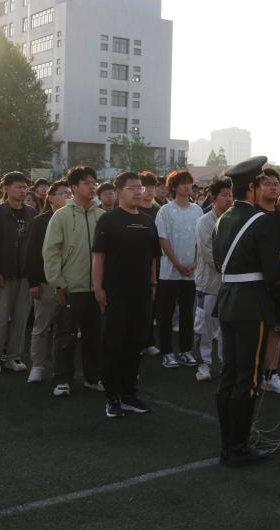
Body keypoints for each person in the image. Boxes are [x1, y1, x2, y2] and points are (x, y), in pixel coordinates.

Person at [212, 157, 280, 467]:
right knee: (248, 376)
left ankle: (228, 443)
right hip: (251, 303)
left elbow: (219, 263)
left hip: (228, 299)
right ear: (253, 188)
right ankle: (238, 447)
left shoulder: (222, 218)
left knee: (229, 374)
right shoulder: (262, 221)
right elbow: (273, 274)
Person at [92, 172, 160, 418]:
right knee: (113, 344)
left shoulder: (148, 220)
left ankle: (130, 394)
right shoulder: (108, 220)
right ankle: (112, 397)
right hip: (115, 293)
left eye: (140, 187)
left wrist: (153, 283)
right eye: (132, 188)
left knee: (135, 344)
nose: (138, 192)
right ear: (119, 191)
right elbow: (98, 257)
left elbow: (153, 257)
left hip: (142, 294)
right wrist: (98, 288)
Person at [42, 166, 106, 397]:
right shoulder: (61, 216)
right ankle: (62, 379)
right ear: (74, 187)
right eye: (87, 183)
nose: (92, 187)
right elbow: (51, 252)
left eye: (94, 182)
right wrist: (58, 282)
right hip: (70, 287)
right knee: (65, 336)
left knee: (94, 336)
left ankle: (93, 377)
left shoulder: (103, 216)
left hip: (97, 288)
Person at [0, 172, 37, 374]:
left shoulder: (31, 212)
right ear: (5, 188)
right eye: (18, 187)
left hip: (25, 274)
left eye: (25, 187)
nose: (23, 191)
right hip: (4, 273)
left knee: (21, 319)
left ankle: (14, 356)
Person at [23, 180, 71, 383]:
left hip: (70, 283)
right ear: (51, 198)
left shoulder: (74, 218)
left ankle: (62, 369)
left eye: (70, 193)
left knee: (65, 329)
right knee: (41, 327)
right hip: (45, 283)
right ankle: (37, 365)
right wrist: (33, 283)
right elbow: (32, 253)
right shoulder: (40, 221)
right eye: (64, 193)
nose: (68, 196)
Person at [154, 169, 201, 369]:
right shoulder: (165, 210)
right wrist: (177, 263)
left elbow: (200, 239)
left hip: (191, 272)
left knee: (187, 314)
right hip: (169, 272)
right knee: (165, 314)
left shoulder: (197, 210)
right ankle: (167, 352)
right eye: (182, 183)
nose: (187, 186)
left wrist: (195, 263)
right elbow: (162, 239)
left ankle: (185, 351)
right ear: (174, 187)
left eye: (189, 182)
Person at [193, 177, 232, 382]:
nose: (229, 199)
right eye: (225, 195)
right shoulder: (205, 222)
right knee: (204, 326)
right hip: (208, 283)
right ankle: (203, 364)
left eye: (231, 195)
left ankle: (227, 364)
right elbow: (209, 254)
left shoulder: (234, 219)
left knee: (227, 327)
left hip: (230, 283)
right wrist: (234, 267)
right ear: (213, 198)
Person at [257, 168, 280, 393]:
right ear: (257, 188)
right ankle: (255, 374)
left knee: (277, 329)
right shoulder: (252, 216)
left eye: (275, 183)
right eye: (267, 183)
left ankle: (271, 374)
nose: (273, 187)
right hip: (257, 283)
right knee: (257, 331)